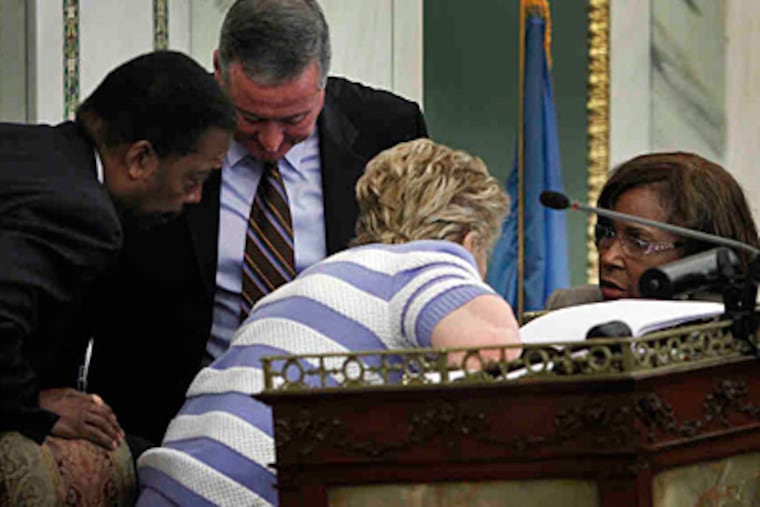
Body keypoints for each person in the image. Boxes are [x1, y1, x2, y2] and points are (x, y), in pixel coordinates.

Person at [88, 0, 429, 448]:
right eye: (248, 118)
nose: (271, 142)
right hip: (173, 428)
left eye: (294, 120)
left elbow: (421, 272)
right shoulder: (156, 128)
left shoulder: (388, 131)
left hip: (347, 425)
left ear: (322, 82)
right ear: (218, 71)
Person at [135, 138, 521, 506]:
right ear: (470, 242)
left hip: (168, 486)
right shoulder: (427, 263)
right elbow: (495, 370)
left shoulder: (310, 283)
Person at [0, 50, 235, 504]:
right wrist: (31, 404)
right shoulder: (83, 213)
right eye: (193, 179)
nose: (196, 197)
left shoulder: (36, 152)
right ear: (141, 159)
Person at [545, 152, 760, 309]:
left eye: (638, 242)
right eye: (606, 234)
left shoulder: (733, 332)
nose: (608, 258)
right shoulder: (568, 308)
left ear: (701, 257)